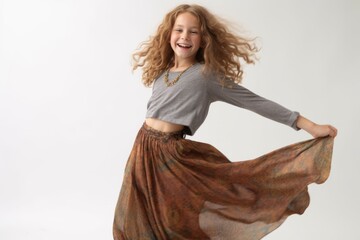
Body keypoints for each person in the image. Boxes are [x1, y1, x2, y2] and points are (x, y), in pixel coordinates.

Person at [113, 4, 337, 240]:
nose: (184, 37)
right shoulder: (162, 74)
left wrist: (308, 125)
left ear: (204, 39)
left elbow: (255, 102)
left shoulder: (206, 76)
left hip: (172, 158)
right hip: (142, 151)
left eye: (193, 32)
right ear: (169, 34)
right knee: (136, 219)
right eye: (179, 30)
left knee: (175, 221)